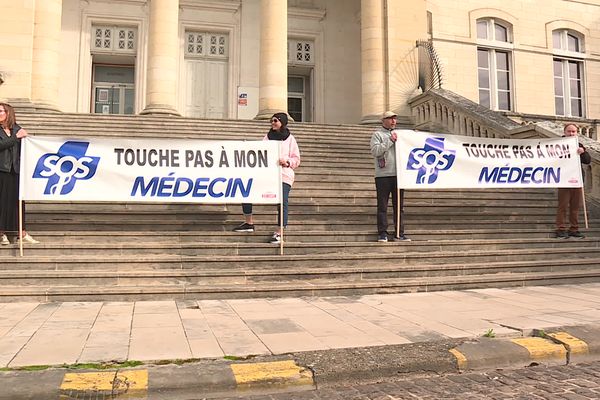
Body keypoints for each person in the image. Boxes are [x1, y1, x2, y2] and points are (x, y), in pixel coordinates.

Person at [232, 112, 301, 244]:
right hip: (267, 173)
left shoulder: (290, 139)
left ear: (283, 122)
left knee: (282, 201)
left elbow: (296, 159)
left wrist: (286, 162)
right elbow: (261, 152)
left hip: (283, 174)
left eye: (275, 120)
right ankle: (249, 222)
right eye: (271, 121)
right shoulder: (268, 137)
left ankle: (279, 231)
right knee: (247, 190)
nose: (272, 123)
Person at [0, 103, 39, 245]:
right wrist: (16, 138)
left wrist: (26, 138)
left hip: (15, 170)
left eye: (0, 111)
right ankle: (1, 233)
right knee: (2, 202)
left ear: (8, 113)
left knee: (18, 201)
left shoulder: (16, 128)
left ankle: (21, 233)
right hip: (2, 170)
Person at [370, 111, 410, 243]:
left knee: (399, 206)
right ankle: (382, 233)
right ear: (383, 120)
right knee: (382, 206)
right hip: (383, 175)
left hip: (399, 175)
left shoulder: (400, 134)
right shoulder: (378, 134)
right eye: (390, 118)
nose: (393, 121)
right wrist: (390, 140)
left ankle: (399, 233)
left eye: (395, 119)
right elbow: (375, 151)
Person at [555, 123, 591, 239]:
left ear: (577, 133)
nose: (571, 133)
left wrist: (583, 152)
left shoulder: (579, 145)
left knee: (575, 207)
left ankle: (574, 229)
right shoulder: (557, 144)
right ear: (564, 132)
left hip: (577, 179)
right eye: (569, 131)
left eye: (573, 131)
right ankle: (561, 228)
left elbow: (587, 161)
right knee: (563, 205)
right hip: (564, 179)